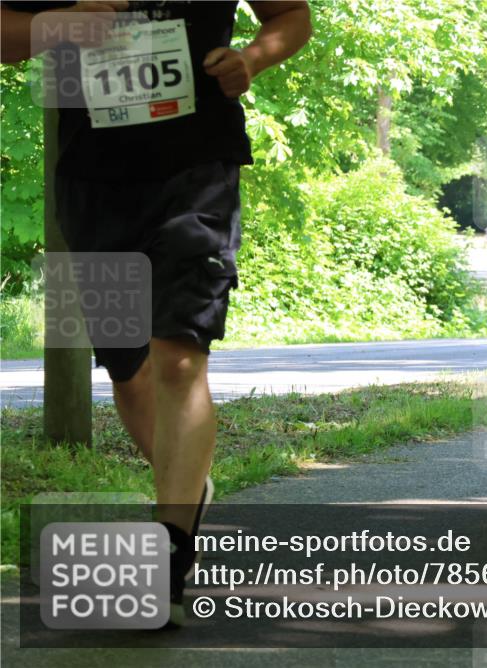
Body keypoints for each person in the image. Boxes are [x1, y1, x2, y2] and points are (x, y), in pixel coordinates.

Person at [1, 0, 312, 626]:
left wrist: (251, 59)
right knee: (128, 369)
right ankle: (188, 488)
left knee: (178, 356)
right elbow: (5, 37)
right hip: (93, 179)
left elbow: (292, 15)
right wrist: (61, 24)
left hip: (195, 168)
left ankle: (169, 552)